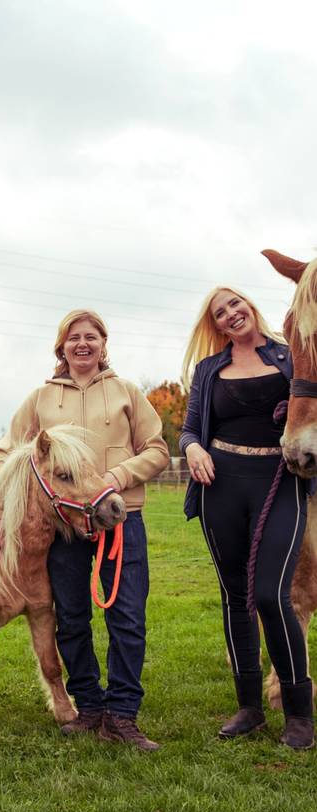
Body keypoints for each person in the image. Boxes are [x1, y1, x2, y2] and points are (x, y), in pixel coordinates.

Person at [0, 309, 169, 750]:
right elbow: (5, 453)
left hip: (120, 517)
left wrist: (117, 478)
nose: (82, 344)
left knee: (126, 616)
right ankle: (89, 706)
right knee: (69, 617)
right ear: (61, 348)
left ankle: (122, 714)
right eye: (73, 338)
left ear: (104, 344)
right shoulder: (40, 399)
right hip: (64, 525)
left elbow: (158, 450)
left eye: (91, 337)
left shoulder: (126, 392)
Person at [181, 287, 313, 750]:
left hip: (280, 481)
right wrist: (193, 447)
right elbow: (190, 427)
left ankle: (299, 714)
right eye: (220, 312)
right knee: (235, 595)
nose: (231, 314)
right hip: (221, 483)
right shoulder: (209, 369)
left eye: (235, 304)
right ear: (216, 325)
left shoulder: (290, 355)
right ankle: (250, 708)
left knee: (271, 595)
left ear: (250, 306)